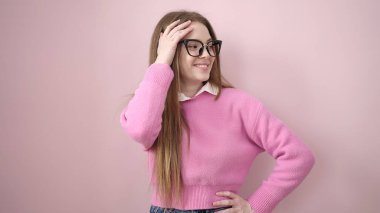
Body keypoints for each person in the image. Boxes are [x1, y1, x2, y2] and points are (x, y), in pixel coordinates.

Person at [120, 10, 315, 213]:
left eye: (211, 46)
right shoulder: (152, 101)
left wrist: (255, 206)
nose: (207, 55)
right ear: (170, 50)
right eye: (194, 46)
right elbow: (140, 130)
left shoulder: (241, 104)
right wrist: (161, 62)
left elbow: (298, 156)